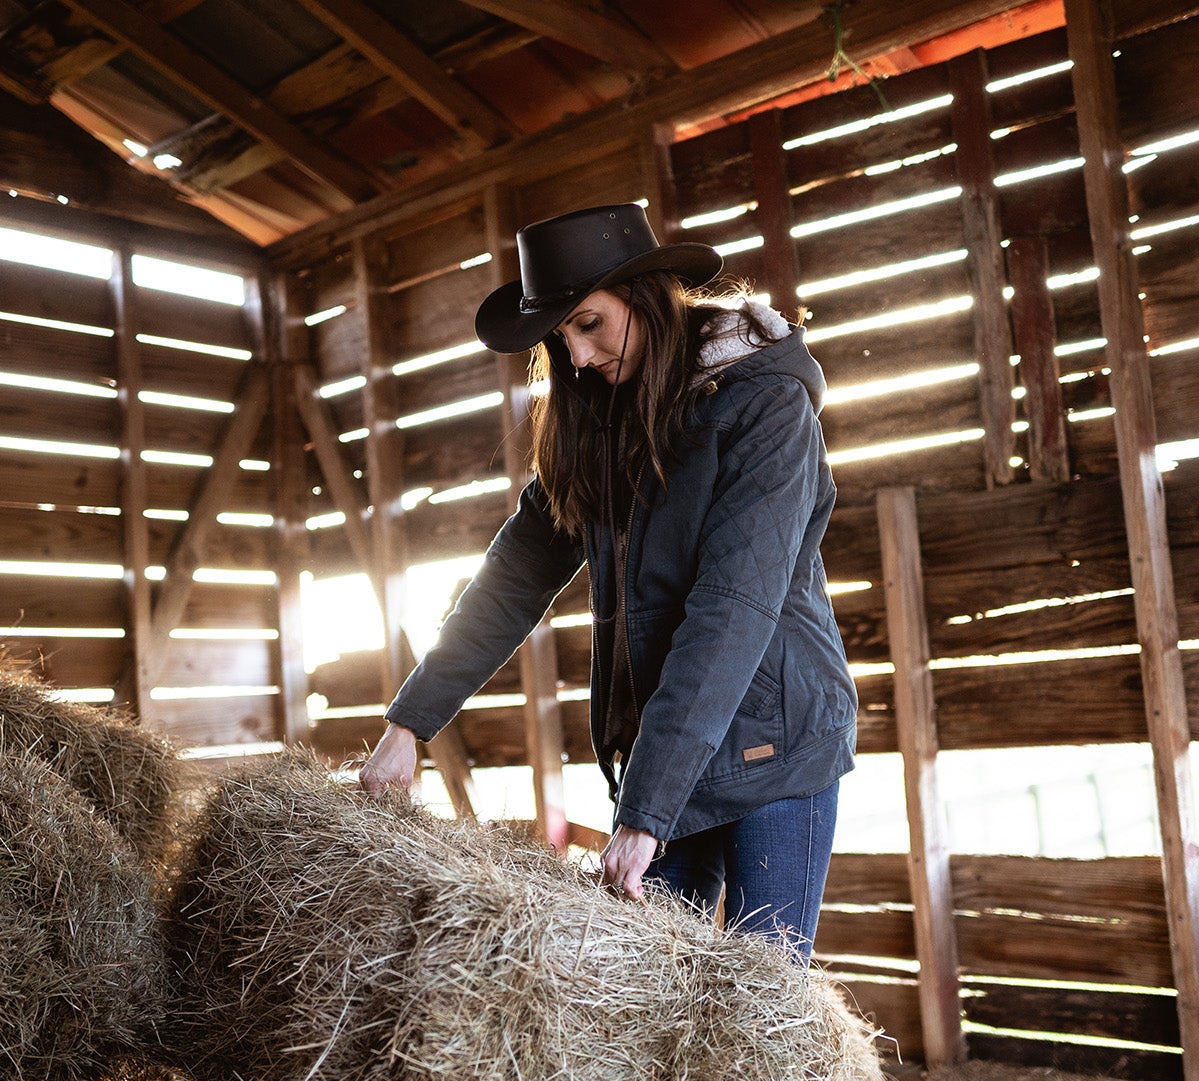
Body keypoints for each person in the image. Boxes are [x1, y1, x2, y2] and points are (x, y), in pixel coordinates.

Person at [359, 202, 856, 963]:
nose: (579, 355)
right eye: (562, 337)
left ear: (649, 294)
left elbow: (733, 608)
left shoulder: (765, 406)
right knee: (636, 1003)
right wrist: (410, 723)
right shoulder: (599, 421)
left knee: (760, 1012)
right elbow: (512, 578)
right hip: (668, 756)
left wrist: (643, 812)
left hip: (775, 746)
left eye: (589, 323)